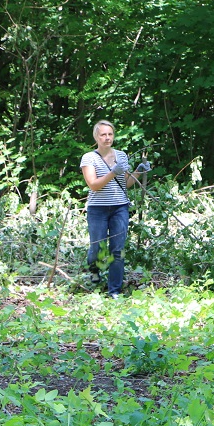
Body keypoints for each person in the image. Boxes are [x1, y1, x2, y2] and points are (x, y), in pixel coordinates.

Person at [80, 120, 150, 298]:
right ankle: (94, 272)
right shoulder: (89, 158)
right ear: (96, 137)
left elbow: (125, 183)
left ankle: (114, 291)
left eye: (110, 134)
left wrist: (139, 172)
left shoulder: (121, 155)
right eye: (103, 134)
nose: (107, 138)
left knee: (117, 250)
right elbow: (94, 185)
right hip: (98, 209)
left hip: (120, 207)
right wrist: (113, 172)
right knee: (97, 247)